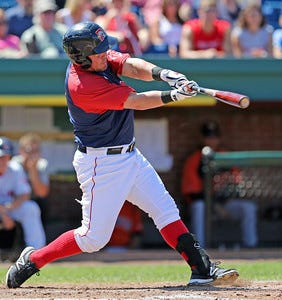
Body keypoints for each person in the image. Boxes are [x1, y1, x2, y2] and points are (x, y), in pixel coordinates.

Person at [5, 21, 239, 289]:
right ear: (81, 56)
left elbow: (130, 66)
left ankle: (201, 269)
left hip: (130, 155)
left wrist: (167, 74)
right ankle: (33, 259)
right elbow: (137, 101)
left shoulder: (99, 60)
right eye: (99, 52)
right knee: (93, 239)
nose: (106, 54)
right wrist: (174, 95)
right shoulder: (83, 84)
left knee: (165, 210)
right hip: (100, 163)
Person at [181, 121, 258, 249]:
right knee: (198, 206)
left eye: (215, 137)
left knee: (248, 208)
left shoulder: (226, 156)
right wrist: (214, 206)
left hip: (226, 204)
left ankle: (251, 246)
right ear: (202, 139)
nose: (212, 141)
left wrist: (225, 202)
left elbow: (238, 185)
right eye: (208, 137)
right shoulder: (194, 159)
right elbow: (191, 194)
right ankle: (200, 248)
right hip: (206, 206)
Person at [0, 137, 46, 251]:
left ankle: (36, 252)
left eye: (5, 157)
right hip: (2, 209)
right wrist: (3, 214)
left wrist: (8, 209)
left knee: (30, 208)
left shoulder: (15, 168)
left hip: (8, 206)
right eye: (0, 157)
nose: (2, 160)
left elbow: (24, 194)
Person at [11, 133, 50, 228]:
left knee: (39, 206)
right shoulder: (14, 165)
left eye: (36, 151)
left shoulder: (42, 164)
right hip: (14, 201)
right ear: (21, 151)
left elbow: (42, 193)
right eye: (29, 150)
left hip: (35, 201)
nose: (32, 154)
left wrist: (33, 170)